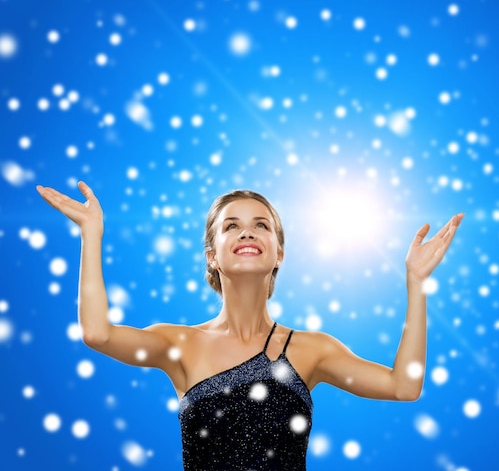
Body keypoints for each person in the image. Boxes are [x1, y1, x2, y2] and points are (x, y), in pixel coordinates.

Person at [36, 181, 463, 471]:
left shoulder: (310, 350)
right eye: (232, 225)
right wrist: (92, 233)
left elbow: (404, 387)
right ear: (212, 254)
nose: (248, 232)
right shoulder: (180, 344)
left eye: (261, 225)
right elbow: (98, 333)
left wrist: (416, 284)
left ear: (278, 253)